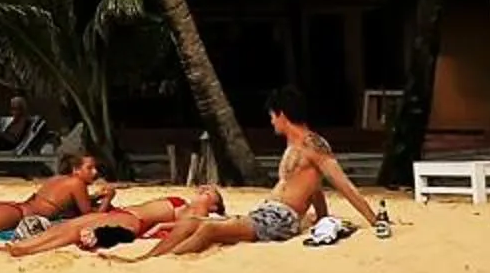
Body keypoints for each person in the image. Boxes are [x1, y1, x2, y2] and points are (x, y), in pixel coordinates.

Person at [128, 88, 388, 258]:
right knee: (192, 223)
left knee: (207, 229)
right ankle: (148, 259)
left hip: (280, 219)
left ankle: (168, 261)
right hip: (268, 213)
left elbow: (343, 184)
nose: (271, 122)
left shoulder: (314, 145)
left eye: (272, 117)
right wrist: (322, 218)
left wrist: (374, 219)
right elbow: (314, 187)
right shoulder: (294, 145)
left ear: (282, 115)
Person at [0, 186, 224, 256]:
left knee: (74, 233)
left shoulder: (198, 216)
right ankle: (18, 246)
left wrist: (162, 226)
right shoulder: (183, 203)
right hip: (121, 213)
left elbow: (184, 227)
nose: (203, 189)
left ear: (213, 206)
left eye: (208, 192)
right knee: (68, 226)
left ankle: (26, 250)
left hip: (134, 222)